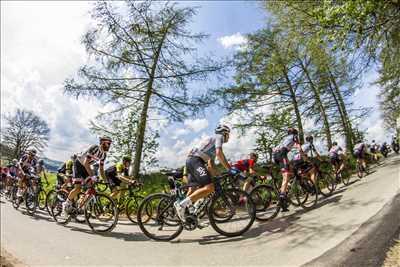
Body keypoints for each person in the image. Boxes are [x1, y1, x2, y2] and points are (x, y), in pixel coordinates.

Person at [174, 125, 233, 221]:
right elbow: (219, 153)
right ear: (224, 133)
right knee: (209, 188)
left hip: (193, 161)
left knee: (193, 189)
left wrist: (218, 175)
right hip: (196, 161)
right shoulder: (219, 137)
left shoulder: (212, 144)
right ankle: (181, 205)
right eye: (228, 134)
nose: (228, 137)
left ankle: (188, 215)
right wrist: (229, 169)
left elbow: (211, 165)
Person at [62, 136, 112, 215]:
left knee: (91, 187)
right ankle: (66, 204)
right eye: (108, 143)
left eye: (110, 144)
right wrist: (92, 176)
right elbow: (85, 163)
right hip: (78, 163)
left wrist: (106, 181)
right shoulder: (95, 148)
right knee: (78, 188)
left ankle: (80, 205)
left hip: (86, 166)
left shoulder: (103, 155)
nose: (109, 146)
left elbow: (101, 169)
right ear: (102, 143)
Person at [272, 128, 303, 212]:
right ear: (295, 133)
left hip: (275, 155)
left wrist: (289, 163)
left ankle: (283, 199)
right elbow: (298, 147)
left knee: (288, 172)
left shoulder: (285, 138)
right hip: (282, 154)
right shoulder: (294, 136)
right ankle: (282, 196)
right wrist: (302, 154)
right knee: (286, 176)